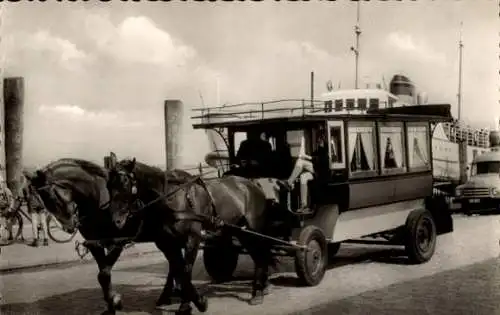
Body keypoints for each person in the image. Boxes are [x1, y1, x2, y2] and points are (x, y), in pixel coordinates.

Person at [281, 127, 329, 212]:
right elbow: (315, 157)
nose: (318, 141)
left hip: (323, 172)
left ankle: (289, 182)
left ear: (322, 138)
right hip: (317, 171)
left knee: (300, 162)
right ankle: (304, 205)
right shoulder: (320, 148)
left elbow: (322, 160)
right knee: (303, 176)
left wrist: (306, 157)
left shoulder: (326, 148)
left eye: (319, 139)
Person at [10, 171, 49, 247]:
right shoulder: (39, 183)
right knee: (43, 221)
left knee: (34, 222)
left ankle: (36, 241)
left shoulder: (26, 186)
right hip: (41, 203)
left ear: (27, 178)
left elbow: (26, 197)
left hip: (33, 204)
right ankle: (46, 240)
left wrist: (21, 198)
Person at [0, 176, 14, 241]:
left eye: (1, 182)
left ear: (2, 183)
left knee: (8, 221)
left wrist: (10, 208)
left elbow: (11, 200)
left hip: (6, 207)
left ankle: (10, 234)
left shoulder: (6, 190)